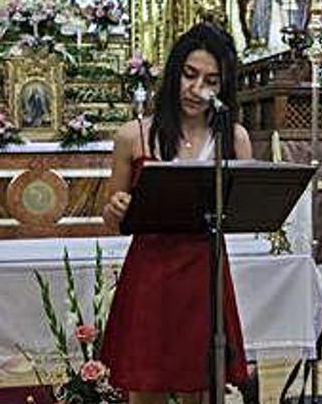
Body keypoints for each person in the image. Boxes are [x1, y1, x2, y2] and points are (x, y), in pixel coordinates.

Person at [100, 23, 252, 403]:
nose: (197, 88)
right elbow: (111, 219)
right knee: (145, 384)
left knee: (200, 386)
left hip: (206, 273)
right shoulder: (133, 135)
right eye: (189, 74)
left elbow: (243, 215)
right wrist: (116, 208)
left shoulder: (234, 139)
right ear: (173, 74)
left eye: (211, 80)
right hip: (151, 271)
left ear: (224, 87)